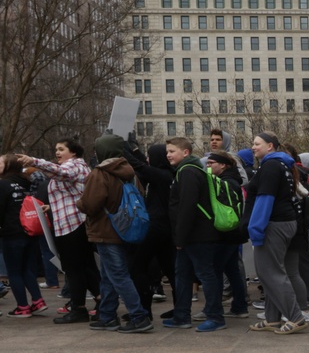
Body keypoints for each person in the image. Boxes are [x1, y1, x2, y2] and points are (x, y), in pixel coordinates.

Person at [77, 134, 153, 334]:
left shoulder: (100, 173)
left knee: (118, 275)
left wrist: (79, 202)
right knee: (108, 276)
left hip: (106, 230)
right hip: (127, 229)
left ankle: (139, 316)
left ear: (102, 151)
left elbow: (90, 205)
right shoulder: (130, 172)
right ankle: (108, 315)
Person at [18, 141, 101, 324]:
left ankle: (79, 309)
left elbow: (62, 173)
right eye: (56, 149)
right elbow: (72, 193)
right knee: (86, 266)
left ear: (73, 152)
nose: (57, 152)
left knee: (74, 269)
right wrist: (52, 206)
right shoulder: (79, 165)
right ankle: (101, 301)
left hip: (72, 224)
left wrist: (33, 161)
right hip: (76, 222)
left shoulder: (73, 165)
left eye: (61, 149)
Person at [243, 132, 308, 335]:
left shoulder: (271, 166)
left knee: (270, 272)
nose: (253, 147)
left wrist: (256, 228)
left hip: (273, 224)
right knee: (272, 272)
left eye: (256, 143)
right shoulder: (281, 164)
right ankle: (272, 318)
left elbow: (265, 199)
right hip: (284, 223)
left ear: (270, 146)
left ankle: (296, 317)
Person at [164, 137, 226, 332]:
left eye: (172, 151)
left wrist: (180, 237)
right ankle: (181, 316)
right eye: (167, 151)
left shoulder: (188, 172)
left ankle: (216, 317)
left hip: (197, 235)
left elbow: (187, 207)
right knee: (182, 275)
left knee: (205, 274)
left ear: (185, 153)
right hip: (192, 235)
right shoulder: (188, 170)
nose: (168, 155)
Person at [121, 142, 177, 317]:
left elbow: (141, 167)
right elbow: (143, 164)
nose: (147, 159)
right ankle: (180, 310)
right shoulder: (167, 174)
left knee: (138, 268)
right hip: (166, 230)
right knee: (171, 270)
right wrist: (133, 150)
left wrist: (121, 149)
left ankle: (144, 311)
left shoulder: (161, 176)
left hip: (155, 229)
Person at [0, 155, 47, 318]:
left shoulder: (3, 184)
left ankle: (22, 307)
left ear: (8, 166)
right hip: (30, 230)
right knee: (27, 268)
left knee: (14, 271)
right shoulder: (26, 182)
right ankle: (38, 301)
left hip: (12, 233)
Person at [205, 152, 249, 319]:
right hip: (233, 232)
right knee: (232, 271)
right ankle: (239, 306)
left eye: (211, 163)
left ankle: (213, 308)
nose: (208, 166)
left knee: (215, 271)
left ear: (223, 165)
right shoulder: (234, 180)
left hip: (224, 232)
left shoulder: (225, 183)